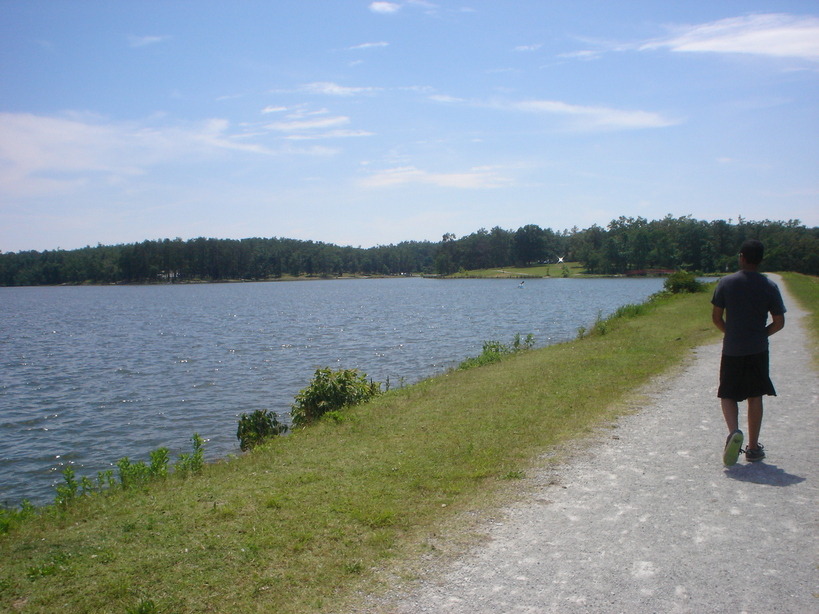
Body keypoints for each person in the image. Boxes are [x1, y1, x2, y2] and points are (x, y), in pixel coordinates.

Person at [711, 239, 786, 465]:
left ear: (742, 257)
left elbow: (716, 317)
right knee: (755, 395)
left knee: (727, 394)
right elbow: (779, 322)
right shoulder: (769, 286)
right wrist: (761, 335)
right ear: (760, 260)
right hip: (758, 349)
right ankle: (753, 448)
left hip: (732, 349)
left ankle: (734, 432)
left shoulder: (726, 283)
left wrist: (731, 332)